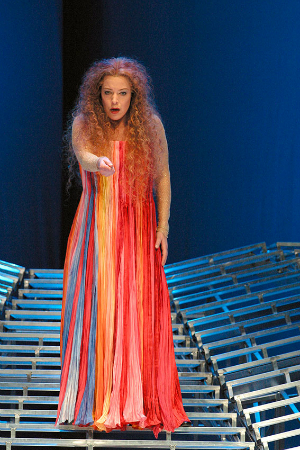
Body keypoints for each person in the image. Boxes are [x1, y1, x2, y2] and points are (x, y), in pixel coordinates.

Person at [56, 57, 189, 437]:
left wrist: (163, 226)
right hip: (96, 227)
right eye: (108, 92)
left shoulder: (150, 126)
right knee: (98, 308)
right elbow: (82, 153)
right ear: (98, 94)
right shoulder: (85, 124)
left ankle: (137, 397)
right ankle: (96, 400)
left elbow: (162, 175)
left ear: (135, 95)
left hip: (138, 225)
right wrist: (96, 162)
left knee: (136, 310)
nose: (115, 101)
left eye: (123, 93)